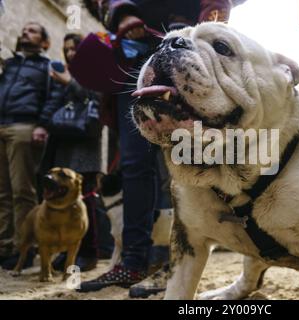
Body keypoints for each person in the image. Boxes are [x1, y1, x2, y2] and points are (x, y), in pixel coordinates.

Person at [77, 0, 238, 297]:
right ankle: (133, 260)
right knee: (134, 165)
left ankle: (175, 261)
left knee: (186, 161)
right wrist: (122, 13)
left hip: (190, 55)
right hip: (134, 57)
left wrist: (200, 32)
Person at [0, 22, 63, 269]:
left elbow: (54, 98)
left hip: (24, 128)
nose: (26, 32)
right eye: (24, 30)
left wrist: (42, 125)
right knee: (2, 192)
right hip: (2, 124)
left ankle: (23, 248)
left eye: (33, 30)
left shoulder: (49, 66)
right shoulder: (10, 64)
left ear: (45, 42)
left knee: (22, 190)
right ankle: (4, 245)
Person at [41, 33, 104, 272]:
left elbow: (99, 99)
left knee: (85, 202)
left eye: (74, 49)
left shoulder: (94, 71)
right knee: (62, 202)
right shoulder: (61, 73)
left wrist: (70, 82)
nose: (69, 53)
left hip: (85, 146)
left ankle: (90, 252)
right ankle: (68, 252)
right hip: (64, 142)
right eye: (66, 49)